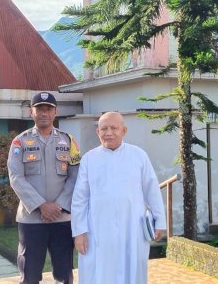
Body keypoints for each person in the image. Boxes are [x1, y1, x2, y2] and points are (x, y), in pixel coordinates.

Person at [71, 111, 166, 284]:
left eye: (114, 128)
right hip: (98, 230)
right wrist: (79, 232)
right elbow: (80, 198)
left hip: (132, 227)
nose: (108, 132)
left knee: (132, 271)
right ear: (97, 132)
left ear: (124, 130)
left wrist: (160, 221)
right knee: (99, 273)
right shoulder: (89, 159)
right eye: (104, 128)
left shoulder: (139, 156)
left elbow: (151, 189)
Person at [8, 92, 80, 284]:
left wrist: (59, 206)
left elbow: (75, 175)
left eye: (48, 108)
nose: (44, 113)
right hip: (31, 220)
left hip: (62, 218)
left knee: (64, 275)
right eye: (39, 108)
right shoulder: (20, 142)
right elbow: (16, 177)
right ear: (31, 112)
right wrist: (41, 205)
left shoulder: (69, 141)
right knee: (30, 276)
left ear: (55, 112)